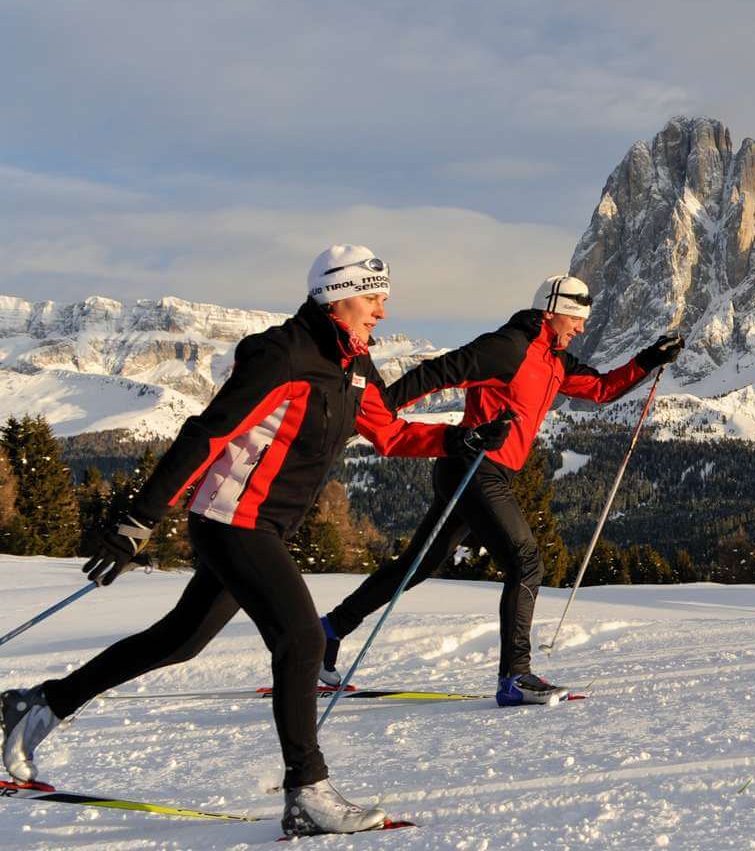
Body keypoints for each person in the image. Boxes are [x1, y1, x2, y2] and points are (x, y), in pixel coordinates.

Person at [1, 246, 511, 837]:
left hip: (265, 527)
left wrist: (461, 440)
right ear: (337, 295)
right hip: (232, 522)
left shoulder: (352, 363)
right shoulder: (283, 355)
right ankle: (308, 792)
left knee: (179, 640)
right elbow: (207, 433)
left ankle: (37, 706)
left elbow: (389, 432)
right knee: (299, 639)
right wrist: (138, 521)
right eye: (373, 298)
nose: (382, 311)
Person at [319, 274, 682, 706]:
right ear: (551, 310)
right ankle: (515, 677)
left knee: (415, 566)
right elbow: (441, 370)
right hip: (474, 466)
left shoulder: (554, 359)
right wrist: (381, 409)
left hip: (485, 473)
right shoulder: (508, 347)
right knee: (526, 561)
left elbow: (601, 390)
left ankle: (325, 633)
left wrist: (647, 360)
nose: (582, 327)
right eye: (576, 318)